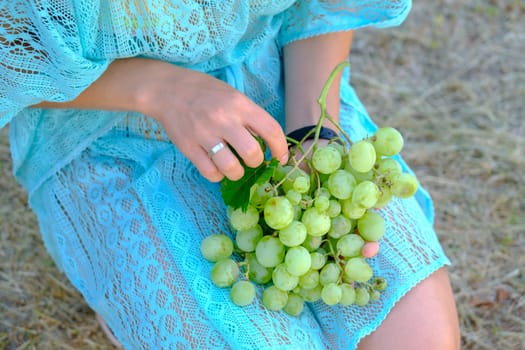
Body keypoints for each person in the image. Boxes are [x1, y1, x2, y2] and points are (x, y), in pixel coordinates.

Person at [0, 1, 460, 349]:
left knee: (419, 337)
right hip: (108, 130)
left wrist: (312, 132)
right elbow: (12, 45)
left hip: (274, 88)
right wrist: (159, 90)